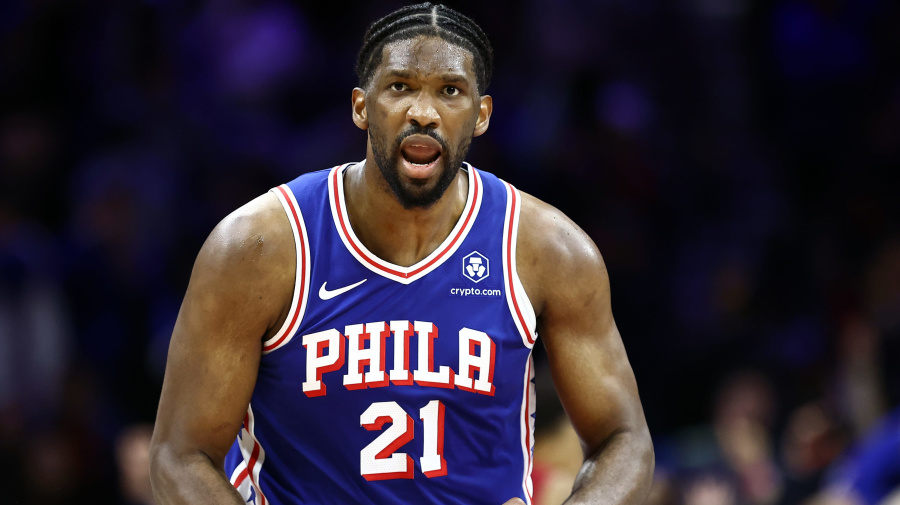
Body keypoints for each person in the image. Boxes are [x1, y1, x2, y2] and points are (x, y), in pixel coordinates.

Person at [148, 3, 654, 504]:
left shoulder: (547, 250)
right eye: (400, 87)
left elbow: (625, 440)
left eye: (450, 91)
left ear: (481, 115)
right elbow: (180, 456)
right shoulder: (260, 247)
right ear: (361, 106)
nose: (423, 112)